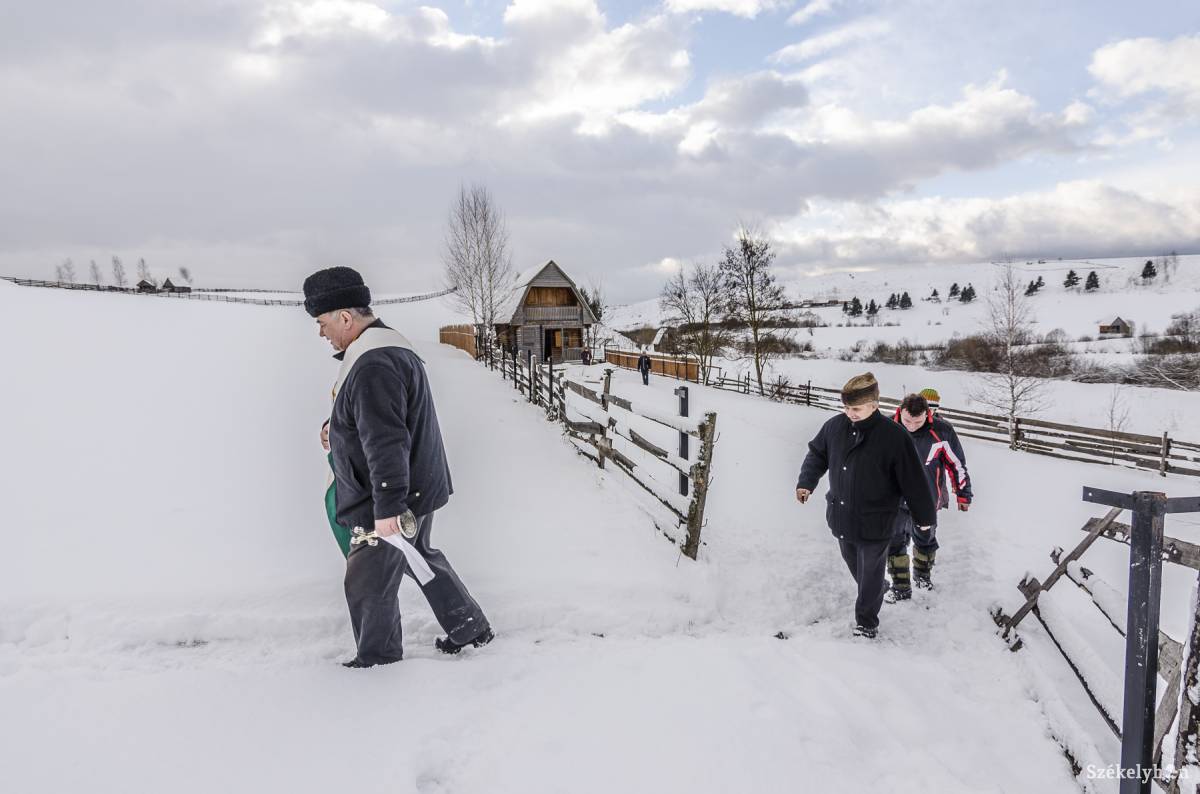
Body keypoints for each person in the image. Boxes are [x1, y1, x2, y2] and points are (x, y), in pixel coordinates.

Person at [306, 266, 493, 668]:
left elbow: (386, 439)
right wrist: (335, 429)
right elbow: (377, 418)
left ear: (344, 317)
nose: (321, 333)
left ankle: (378, 660)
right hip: (414, 486)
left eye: (322, 323)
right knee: (417, 555)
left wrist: (388, 508)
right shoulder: (384, 350)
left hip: (388, 495)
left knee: (367, 583)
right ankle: (469, 626)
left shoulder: (373, 363)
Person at [795, 372, 937, 639]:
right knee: (855, 565)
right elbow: (817, 454)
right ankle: (876, 589)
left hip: (877, 521)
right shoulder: (834, 427)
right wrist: (806, 482)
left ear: (874, 404)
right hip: (842, 515)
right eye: (846, 407)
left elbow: (914, 480)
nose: (850, 413)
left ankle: (867, 622)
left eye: (856, 408)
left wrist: (924, 516)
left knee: (869, 571)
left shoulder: (894, 436)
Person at [886, 393, 972, 600]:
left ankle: (923, 577)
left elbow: (956, 464)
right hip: (893, 499)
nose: (912, 426)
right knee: (894, 540)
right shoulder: (886, 428)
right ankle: (900, 586)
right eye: (907, 421)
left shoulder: (942, 431)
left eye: (918, 421)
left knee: (925, 539)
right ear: (900, 412)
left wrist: (963, 493)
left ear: (928, 414)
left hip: (926, 498)